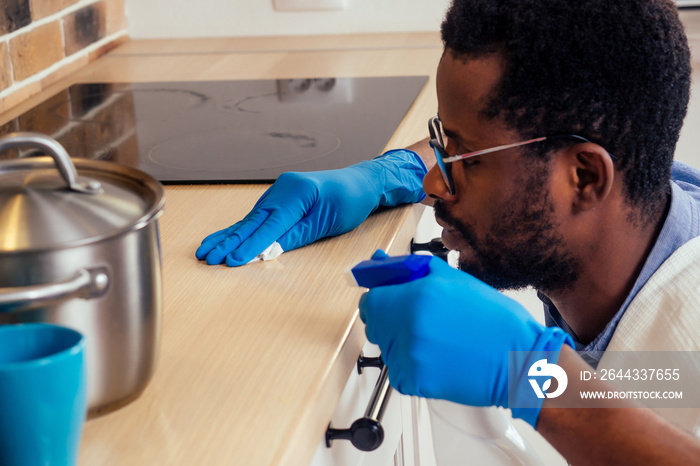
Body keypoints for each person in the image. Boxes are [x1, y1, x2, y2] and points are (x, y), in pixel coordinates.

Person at [197, 0, 700, 463]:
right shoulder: (647, 200)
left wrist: (532, 377)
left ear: (585, 178)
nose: (435, 181)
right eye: (442, 145)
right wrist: (392, 171)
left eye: (462, 159)